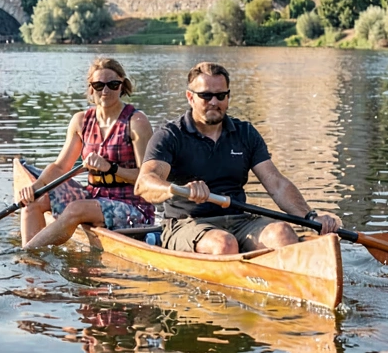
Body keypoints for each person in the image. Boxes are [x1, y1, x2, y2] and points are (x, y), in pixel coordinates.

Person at [134, 61, 341, 255]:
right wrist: (176, 189)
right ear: (190, 97)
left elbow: (276, 184)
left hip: (239, 220)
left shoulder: (246, 133)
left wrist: (310, 216)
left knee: (283, 233)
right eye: (206, 96)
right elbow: (143, 184)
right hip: (187, 222)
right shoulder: (170, 135)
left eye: (221, 95)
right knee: (224, 244)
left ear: (228, 97)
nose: (214, 102)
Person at [17, 57, 155, 248]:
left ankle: (28, 252)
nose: (105, 91)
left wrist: (111, 168)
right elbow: (60, 167)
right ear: (91, 88)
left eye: (112, 85)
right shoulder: (81, 121)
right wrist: (36, 187)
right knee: (34, 202)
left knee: (76, 209)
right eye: (98, 85)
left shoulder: (137, 122)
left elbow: (146, 178)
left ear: (122, 86)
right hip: (93, 197)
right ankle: (33, 269)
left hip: (133, 206)